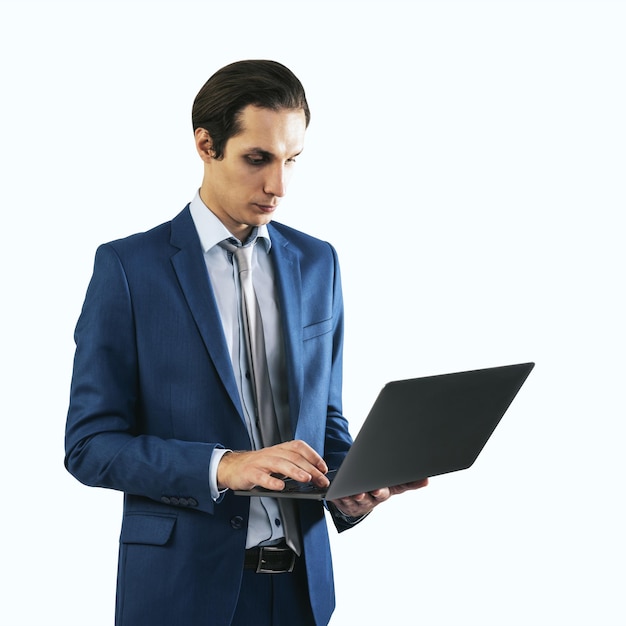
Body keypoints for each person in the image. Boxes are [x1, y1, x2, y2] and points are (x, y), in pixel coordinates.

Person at [64, 59, 428, 626]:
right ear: (206, 145)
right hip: (181, 590)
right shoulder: (129, 269)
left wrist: (350, 485)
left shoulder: (317, 263)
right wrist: (222, 466)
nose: (278, 186)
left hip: (302, 592)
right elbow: (90, 445)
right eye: (257, 159)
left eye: (291, 161)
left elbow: (325, 419)